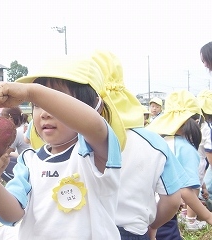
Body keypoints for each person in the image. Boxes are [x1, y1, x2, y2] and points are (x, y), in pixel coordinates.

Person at [0, 54, 128, 239]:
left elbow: (93, 125)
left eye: (54, 103)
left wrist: (32, 92)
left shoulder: (94, 152)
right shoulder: (29, 160)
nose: (45, 113)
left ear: (94, 107)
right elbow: (13, 213)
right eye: (37, 105)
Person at [91, 50, 186, 239]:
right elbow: (172, 201)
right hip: (132, 231)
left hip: (84, 229)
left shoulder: (71, 139)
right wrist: (153, 226)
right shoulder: (154, 142)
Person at [147, 90, 212, 238]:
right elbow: (185, 190)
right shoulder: (186, 148)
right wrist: (208, 216)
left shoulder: (160, 141)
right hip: (164, 212)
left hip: (147, 208)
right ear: (196, 122)